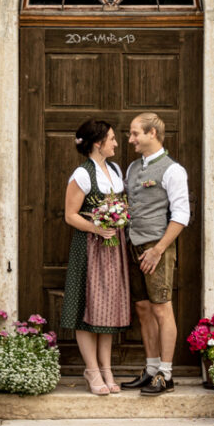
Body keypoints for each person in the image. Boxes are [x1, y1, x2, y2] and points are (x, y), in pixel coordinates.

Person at [60, 118, 131, 396]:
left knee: (107, 308)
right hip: (89, 247)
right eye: (111, 138)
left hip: (113, 248)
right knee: (87, 308)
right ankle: (92, 370)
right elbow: (70, 215)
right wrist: (96, 228)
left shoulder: (114, 169)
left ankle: (107, 368)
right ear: (98, 143)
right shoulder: (82, 174)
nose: (116, 143)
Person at [120, 112, 189, 396]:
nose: (131, 139)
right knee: (143, 308)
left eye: (135, 133)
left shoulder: (173, 170)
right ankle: (150, 370)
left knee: (162, 308)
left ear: (152, 134)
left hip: (157, 248)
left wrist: (158, 249)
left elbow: (182, 215)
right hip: (133, 245)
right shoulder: (133, 167)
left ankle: (166, 374)